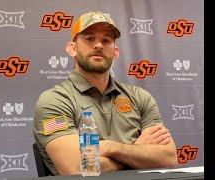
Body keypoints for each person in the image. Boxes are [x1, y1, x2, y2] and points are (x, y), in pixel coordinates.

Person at [33, 11, 177, 176]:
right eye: (89, 38)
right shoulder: (55, 101)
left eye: (106, 40)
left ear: (115, 53)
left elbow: (169, 158)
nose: (98, 45)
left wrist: (109, 147)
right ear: (72, 49)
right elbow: (75, 167)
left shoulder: (140, 97)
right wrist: (137, 151)